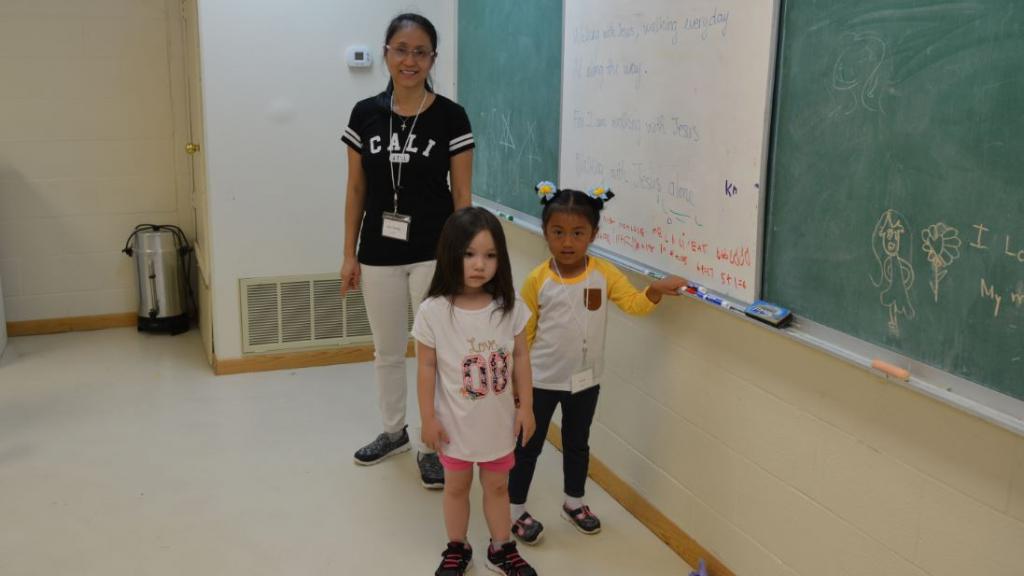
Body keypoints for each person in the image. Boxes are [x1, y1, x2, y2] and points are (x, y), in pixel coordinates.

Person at [508, 182, 686, 545]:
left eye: (578, 233)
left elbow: (634, 304)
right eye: (558, 232)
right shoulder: (537, 280)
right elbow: (523, 338)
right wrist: (518, 386)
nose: (567, 242)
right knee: (528, 448)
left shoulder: (604, 273)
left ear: (594, 234)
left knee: (578, 444)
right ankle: (514, 510)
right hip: (540, 382)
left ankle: (574, 503)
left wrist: (654, 291)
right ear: (545, 232)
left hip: (584, 382)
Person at [339, 13, 474, 489]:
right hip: (377, 252)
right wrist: (349, 253)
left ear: (433, 59)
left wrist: (464, 258)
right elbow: (356, 188)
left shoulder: (451, 117)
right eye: (401, 49)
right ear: (386, 54)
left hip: (434, 251)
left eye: (420, 52)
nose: (410, 60)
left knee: (433, 353)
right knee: (387, 349)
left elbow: (462, 196)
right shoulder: (364, 113)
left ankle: (429, 445)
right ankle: (394, 431)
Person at [413, 207, 539, 576]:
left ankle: (501, 548)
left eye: (490, 255)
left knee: (498, 487)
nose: (479, 265)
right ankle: (458, 546)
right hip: (454, 426)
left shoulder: (509, 307)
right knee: (456, 488)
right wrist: (427, 418)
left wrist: (527, 407)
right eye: (469, 254)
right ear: (450, 254)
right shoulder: (433, 311)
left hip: (498, 425)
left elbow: (521, 357)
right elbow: (425, 367)